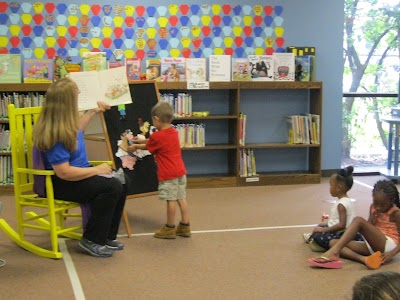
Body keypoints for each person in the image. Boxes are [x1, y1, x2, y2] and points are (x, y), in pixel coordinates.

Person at [32, 77, 127, 258]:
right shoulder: (55, 133)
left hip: (74, 176)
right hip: (61, 183)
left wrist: (92, 112)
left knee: (122, 180)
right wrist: (97, 170)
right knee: (112, 186)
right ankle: (91, 240)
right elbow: (64, 172)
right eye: (76, 95)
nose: (79, 97)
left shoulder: (64, 124)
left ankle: (105, 236)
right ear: (68, 103)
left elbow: (78, 131)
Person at [127, 101, 190, 239]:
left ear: (156, 119)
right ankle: (185, 225)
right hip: (180, 171)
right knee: (181, 198)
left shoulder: (157, 136)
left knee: (170, 200)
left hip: (168, 174)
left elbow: (150, 146)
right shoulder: (173, 132)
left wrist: (135, 146)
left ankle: (169, 227)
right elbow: (153, 142)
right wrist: (141, 141)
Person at [309, 179, 400, 269]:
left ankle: (333, 253)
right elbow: (369, 229)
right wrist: (373, 216)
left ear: (392, 201)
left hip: (387, 244)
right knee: (334, 243)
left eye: (383, 205)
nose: (378, 207)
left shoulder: (396, 213)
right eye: (376, 203)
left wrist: (391, 254)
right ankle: (364, 259)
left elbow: (363, 226)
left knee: (358, 220)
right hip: (373, 244)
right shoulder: (373, 207)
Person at [303, 166, 361, 251]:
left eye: (331, 185)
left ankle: (318, 243)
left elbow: (341, 225)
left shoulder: (341, 205)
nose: (329, 188)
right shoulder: (347, 201)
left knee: (318, 235)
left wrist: (326, 230)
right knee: (320, 226)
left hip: (341, 233)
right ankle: (314, 238)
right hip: (345, 231)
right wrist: (325, 225)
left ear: (338, 188)